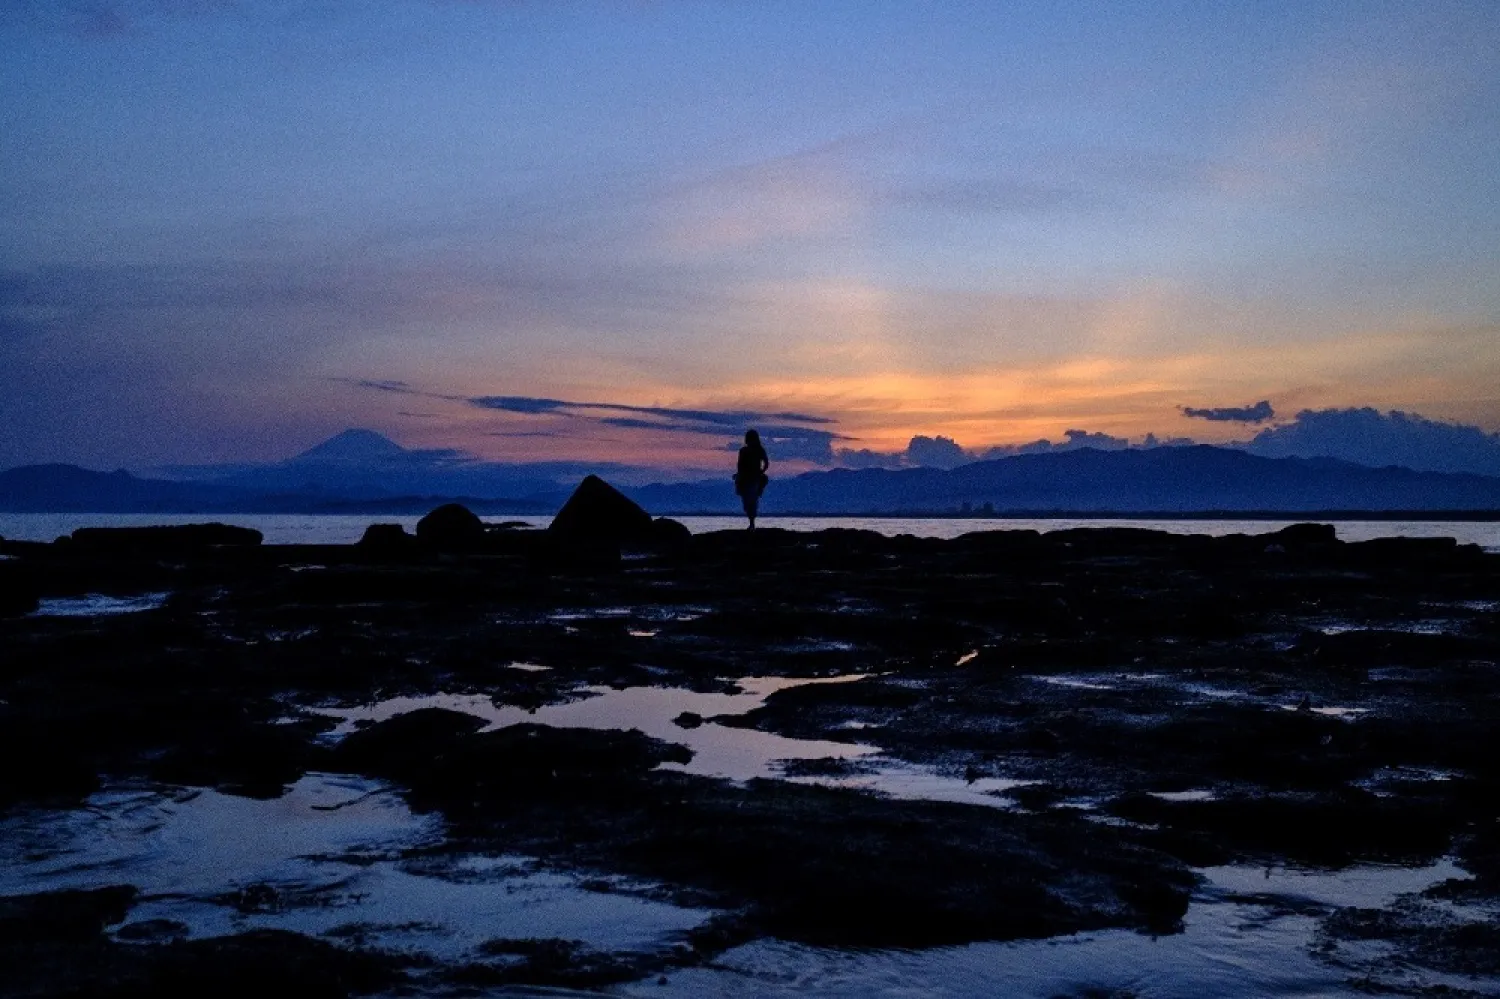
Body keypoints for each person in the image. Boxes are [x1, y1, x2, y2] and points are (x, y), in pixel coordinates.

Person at [734, 429, 770, 530]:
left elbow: (766, 463)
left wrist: (761, 472)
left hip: (754, 479)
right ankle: (751, 523)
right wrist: (738, 475)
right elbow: (740, 465)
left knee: (752, 501)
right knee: (746, 502)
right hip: (745, 479)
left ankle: (752, 524)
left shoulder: (759, 450)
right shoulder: (743, 451)